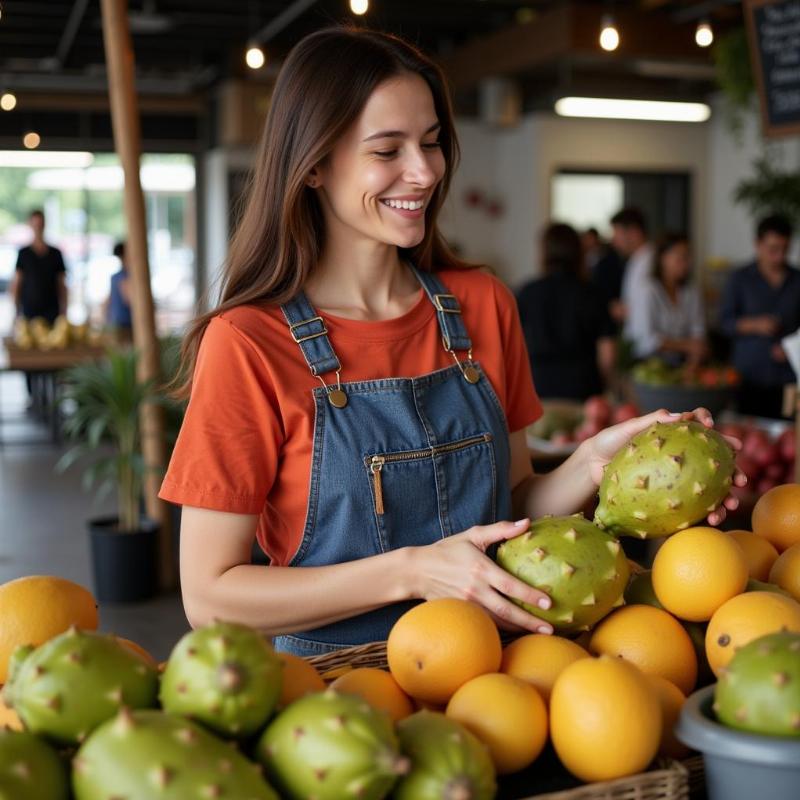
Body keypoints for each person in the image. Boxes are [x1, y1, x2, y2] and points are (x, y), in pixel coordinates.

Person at [159, 27, 741, 657]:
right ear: (315, 165)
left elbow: (513, 502)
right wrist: (412, 572)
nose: (425, 170)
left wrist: (591, 464)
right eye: (388, 150)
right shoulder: (248, 343)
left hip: (493, 678)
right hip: (335, 704)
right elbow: (211, 598)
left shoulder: (482, 305)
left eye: (432, 142)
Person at [516, 223, 616, 401]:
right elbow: (607, 353)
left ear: (544, 252)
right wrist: (606, 385)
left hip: (537, 386)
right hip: (583, 389)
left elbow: (515, 348)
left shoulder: (527, 292)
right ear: (579, 252)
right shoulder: (593, 293)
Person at [720, 214, 800, 419]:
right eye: (773, 249)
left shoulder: (797, 279)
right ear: (758, 244)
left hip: (788, 378)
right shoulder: (740, 278)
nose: (779, 256)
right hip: (748, 377)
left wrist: (792, 346)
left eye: (784, 249)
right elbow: (725, 323)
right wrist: (753, 324)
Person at [627, 233, 708, 367]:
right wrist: (686, 345)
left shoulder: (691, 291)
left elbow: (698, 332)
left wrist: (693, 363)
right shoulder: (648, 290)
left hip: (682, 365)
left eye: (688, 256)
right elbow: (646, 340)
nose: (686, 262)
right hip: (648, 366)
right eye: (680, 257)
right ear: (663, 258)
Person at [9, 209, 67, 324]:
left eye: (40, 224)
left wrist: (64, 310)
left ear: (44, 225)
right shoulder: (24, 254)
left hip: (51, 311)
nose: (38, 228)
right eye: (35, 224)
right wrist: (15, 311)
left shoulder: (55, 254)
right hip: (29, 311)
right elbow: (17, 283)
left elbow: (61, 284)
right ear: (30, 225)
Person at [610, 207, 654, 330]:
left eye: (617, 235)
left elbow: (648, 308)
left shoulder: (651, 263)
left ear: (634, 233)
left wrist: (625, 311)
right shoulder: (636, 260)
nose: (614, 242)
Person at [105, 241, 133, 342]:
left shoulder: (115, 277)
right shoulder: (125, 276)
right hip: (125, 324)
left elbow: (107, 301)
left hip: (115, 322)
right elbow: (128, 299)